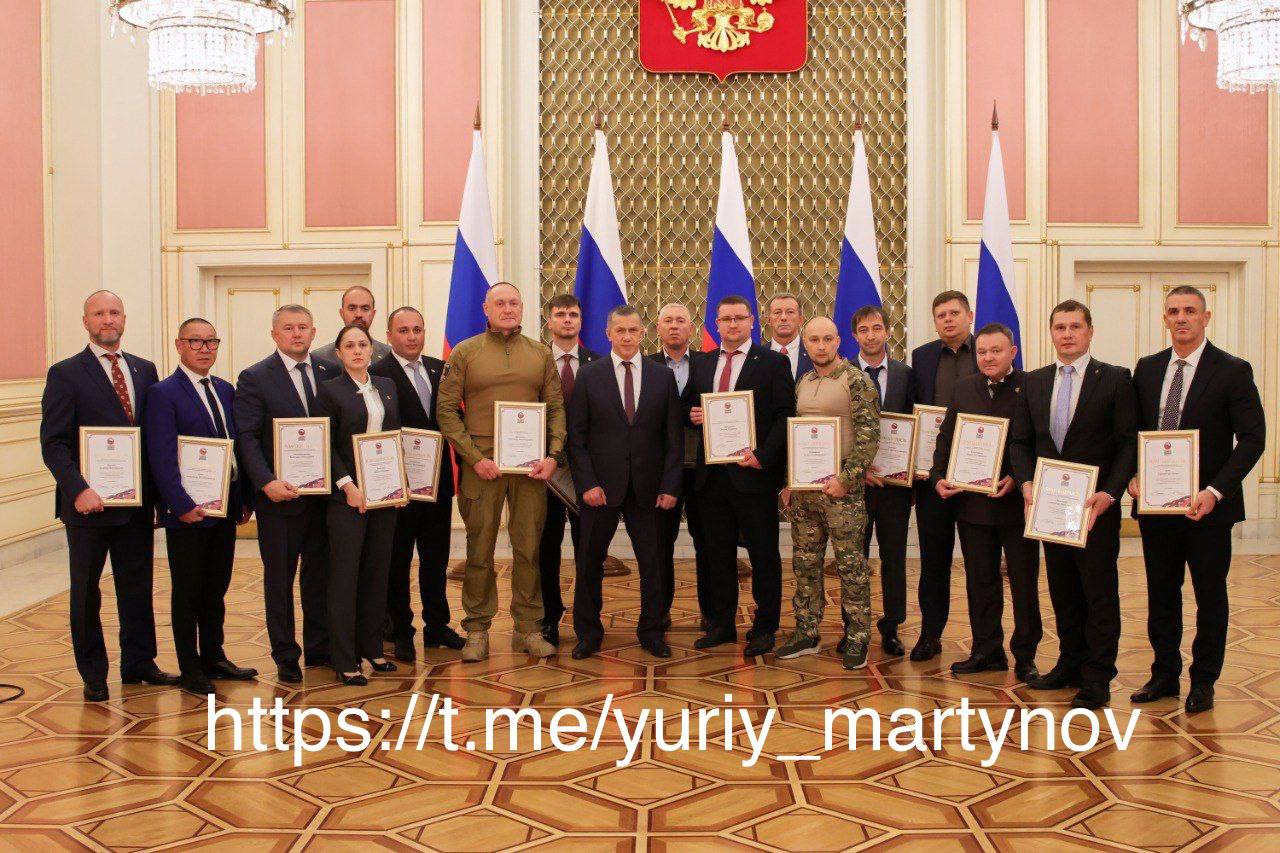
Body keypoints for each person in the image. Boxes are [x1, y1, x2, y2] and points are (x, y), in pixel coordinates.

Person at [1128, 286, 1265, 714]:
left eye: (1190, 310)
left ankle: (1204, 680)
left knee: (1210, 595)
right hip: (1156, 508)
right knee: (1161, 594)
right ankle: (1164, 674)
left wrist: (1215, 491)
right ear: (1165, 319)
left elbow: (1253, 439)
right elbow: (1133, 433)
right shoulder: (1147, 369)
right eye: (1173, 311)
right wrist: (1133, 474)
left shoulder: (1232, 370)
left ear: (1206, 318)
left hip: (1207, 509)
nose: (1181, 317)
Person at [40, 291, 178, 701]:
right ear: (85, 322)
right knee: (86, 592)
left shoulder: (144, 369)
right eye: (99, 313)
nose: (108, 319)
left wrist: (159, 496)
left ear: (124, 319)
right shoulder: (65, 373)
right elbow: (54, 443)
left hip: (135, 504)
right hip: (88, 506)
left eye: (114, 312)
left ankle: (139, 663)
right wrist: (79, 489)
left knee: (137, 586)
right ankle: (93, 672)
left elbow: (152, 437)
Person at [1010, 300, 1137, 710]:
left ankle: (1098, 676)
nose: (1067, 334)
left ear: (1090, 331)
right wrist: (1027, 484)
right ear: (1051, 333)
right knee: (1062, 589)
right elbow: (1020, 442)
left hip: (1094, 507)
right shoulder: (1034, 382)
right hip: (1049, 507)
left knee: (1098, 592)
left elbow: (1127, 444)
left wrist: (1111, 493)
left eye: (1075, 326)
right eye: (1060, 327)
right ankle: (1069, 664)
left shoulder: (1115, 379)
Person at [436, 282, 565, 662]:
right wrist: (474, 458)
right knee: (479, 552)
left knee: (529, 550)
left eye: (514, 302)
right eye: (500, 303)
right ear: (486, 308)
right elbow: (446, 410)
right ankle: (477, 630)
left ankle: (529, 628)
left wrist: (553, 455)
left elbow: (556, 408)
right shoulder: (465, 352)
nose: (508, 309)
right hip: (482, 468)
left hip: (530, 470)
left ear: (522, 308)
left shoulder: (540, 354)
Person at [145, 318, 257, 695]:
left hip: (224, 507)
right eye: (196, 341)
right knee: (188, 591)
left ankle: (214, 656)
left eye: (211, 342)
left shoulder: (225, 389)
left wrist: (243, 499)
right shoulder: (163, 393)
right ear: (179, 345)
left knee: (215, 588)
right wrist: (180, 504)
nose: (205, 349)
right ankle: (190, 667)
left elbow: (236, 449)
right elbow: (161, 456)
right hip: (188, 513)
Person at [568, 305, 683, 659]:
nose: (628, 336)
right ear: (608, 334)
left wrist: (670, 486)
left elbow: (673, 439)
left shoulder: (662, 377)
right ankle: (588, 633)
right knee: (589, 562)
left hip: (649, 489)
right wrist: (587, 484)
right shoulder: (589, 375)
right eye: (621, 330)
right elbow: (577, 437)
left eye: (633, 330)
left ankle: (652, 631)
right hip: (600, 489)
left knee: (653, 564)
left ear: (643, 333)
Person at [931, 323, 1041, 683]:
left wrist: (1016, 478)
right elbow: (947, 436)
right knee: (980, 581)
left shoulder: (1031, 386)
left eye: (996, 350)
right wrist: (938, 476)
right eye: (982, 351)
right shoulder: (964, 388)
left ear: (1013, 352)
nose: (988, 357)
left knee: (1023, 582)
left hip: (1016, 505)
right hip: (973, 506)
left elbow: (1036, 441)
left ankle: (1025, 655)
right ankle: (986, 650)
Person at [234, 304, 337, 683]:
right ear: (275, 334)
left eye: (303, 327)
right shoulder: (255, 377)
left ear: (314, 333)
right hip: (279, 499)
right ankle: (285, 654)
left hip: (323, 499)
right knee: (279, 580)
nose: (297, 334)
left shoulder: (331, 371)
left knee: (319, 577)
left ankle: (319, 648)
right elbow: (246, 437)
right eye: (289, 328)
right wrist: (266, 482)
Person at [687, 294, 795, 657]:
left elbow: (784, 415)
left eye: (739, 318)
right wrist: (692, 414)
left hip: (753, 477)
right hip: (712, 479)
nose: (733, 325)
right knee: (717, 555)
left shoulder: (773, 363)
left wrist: (763, 457)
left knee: (763, 556)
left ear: (752, 322)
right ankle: (722, 624)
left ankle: (765, 627)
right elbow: (686, 405)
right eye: (726, 319)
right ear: (716, 325)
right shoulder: (702, 362)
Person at [776, 318, 880, 669]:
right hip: (805, 493)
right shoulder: (803, 382)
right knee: (805, 563)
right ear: (805, 344)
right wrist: (790, 481)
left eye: (827, 339)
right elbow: (796, 436)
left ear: (838, 341)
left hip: (842, 493)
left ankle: (858, 637)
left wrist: (847, 480)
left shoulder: (856, 380)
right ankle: (807, 631)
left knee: (851, 566)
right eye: (814, 340)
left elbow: (869, 436)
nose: (821, 346)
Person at [370, 306, 464, 661]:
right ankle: (401, 631)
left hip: (437, 484)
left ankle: (437, 626)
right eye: (404, 330)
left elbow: (454, 418)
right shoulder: (378, 374)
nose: (412, 337)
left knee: (435, 559)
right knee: (397, 562)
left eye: (417, 330)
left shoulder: (440, 369)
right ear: (389, 335)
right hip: (398, 487)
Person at [313, 324, 403, 685]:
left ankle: (373, 649)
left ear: (372, 350)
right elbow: (326, 445)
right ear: (339, 354)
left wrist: (397, 486)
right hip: (346, 498)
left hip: (383, 495)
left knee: (377, 573)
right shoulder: (329, 390)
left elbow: (394, 437)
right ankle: (345, 658)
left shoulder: (387, 385)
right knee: (345, 578)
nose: (357, 350)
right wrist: (347, 486)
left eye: (362, 344)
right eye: (349, 346)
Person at [908, 290, 978, 662]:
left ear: (970, 315)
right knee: (934, 562)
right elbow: (912, 412)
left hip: (977, 477)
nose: (948, 320)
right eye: (941, 315)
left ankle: (985, 643)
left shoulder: (988, 351)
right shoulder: (922, 357)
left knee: (980, 566)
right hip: (932, 477)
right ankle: (930, 635)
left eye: (954, 313)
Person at [851, 305, 916, 658]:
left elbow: (917, 425)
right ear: (855, 336)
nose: (871, 335)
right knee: (854, 559)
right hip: (855, 486)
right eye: (864, 329)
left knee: (894, 558)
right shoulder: (844, 374)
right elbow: (840, 429)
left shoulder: (907, 375)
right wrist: (857, 469)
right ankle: (853, 627)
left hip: (894, 487)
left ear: (888, 332)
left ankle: (891, 626)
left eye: (877, 328)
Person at [536, 293, 600, 647]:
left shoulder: (598, 363)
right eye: (560, 314)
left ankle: (586, 621)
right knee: (546, 549)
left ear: (581, 320)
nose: (567, 320)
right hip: (544, 471)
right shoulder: (535, 360)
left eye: (573, 314)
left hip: (585, 473)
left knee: (587, 550)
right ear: (549, 321)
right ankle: (549, 617)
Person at [648, 303, 708, 625]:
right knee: (659, 546)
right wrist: (685, 414)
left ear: (691, 328)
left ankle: (711, 615)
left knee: (707, 543)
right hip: (660, 473)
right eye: (667, 321)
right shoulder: (645, 366)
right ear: (658, 328)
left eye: (680, 320)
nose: (674, 326)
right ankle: (659, 614)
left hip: (702, 470)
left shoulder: (709, 364)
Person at [311, 285, 392, 366]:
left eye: (365, 309)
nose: (358, 314)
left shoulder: (389, 355)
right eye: (352, 308)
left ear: (373, 314)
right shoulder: (319, 358)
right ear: (342, 313)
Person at [765, 293, 813, 381]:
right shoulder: (757, 356)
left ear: (800, 320)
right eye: (777, 312)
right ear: (769, 320)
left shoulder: (813, 353)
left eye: (790, 312)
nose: (783, 318)